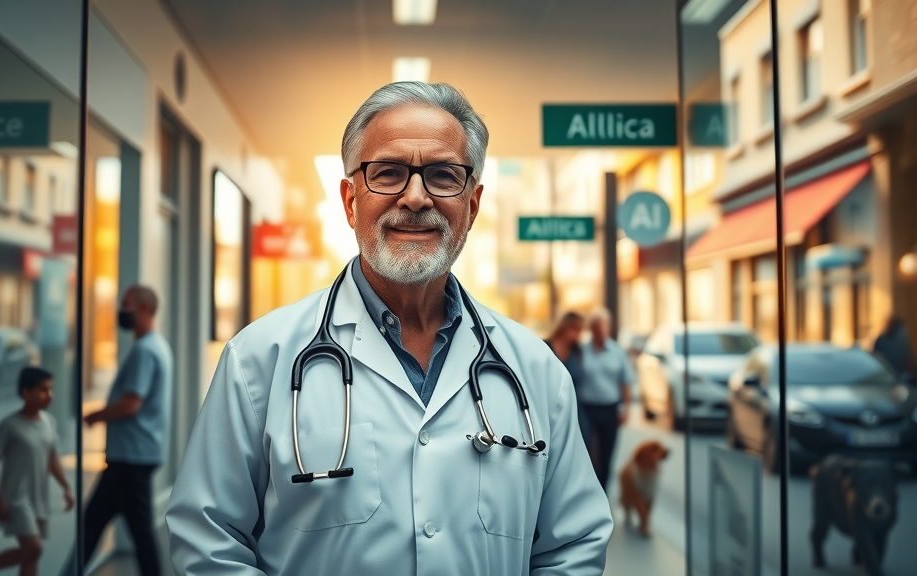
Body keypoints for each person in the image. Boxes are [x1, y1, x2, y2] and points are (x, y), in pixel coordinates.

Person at [166, 82, 612, 576]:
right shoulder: (258, 360)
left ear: (473, 204)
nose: (416, 197)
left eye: (443, 176)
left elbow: (573, 546)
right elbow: (207, 541)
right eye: (389, 174)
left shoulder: (536, 370)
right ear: (351, 199)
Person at [82, 285, 173, 576]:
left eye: (126, 305)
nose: (121, 311)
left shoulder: (145, 350)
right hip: (131, 455)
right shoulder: (154, 346)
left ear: (144, 309)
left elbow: (132, 404)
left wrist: (97, 415)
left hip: (131, 457)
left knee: (137, 532)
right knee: (92, 524)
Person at [0, 367, 74, 576]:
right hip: (16, 499)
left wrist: (66, 488)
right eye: (43, 390)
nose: (49, 395)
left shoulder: (49, 422)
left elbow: (52, 460)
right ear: (26, 393)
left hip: (38, 498)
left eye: (51, 390)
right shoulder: (9, 426)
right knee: (34, 548)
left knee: (29, 554)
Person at [578, 308, 635, 493]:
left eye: (604, 326)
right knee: (589, 453)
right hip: (587, 409)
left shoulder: (617, 352)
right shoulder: (582, 351)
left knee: (607, 453)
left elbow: (625, 382)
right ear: (592, 329)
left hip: (610, 409)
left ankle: (603, 492)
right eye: (597, 326)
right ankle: (588, 492)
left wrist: (626, 408)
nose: (601, 330)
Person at [547, 311, 589, 446]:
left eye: (580, 330)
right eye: (575, 329)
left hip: (575, 407)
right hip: (550, 406)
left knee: (582, 441)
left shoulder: (576, 350)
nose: (578, 334)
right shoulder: (546, 346)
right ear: (564, 327)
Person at [872, 316, 916, 380]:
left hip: (892, 376)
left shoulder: (901, 341)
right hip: (887, 376)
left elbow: (908, 360)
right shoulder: (882, 340)